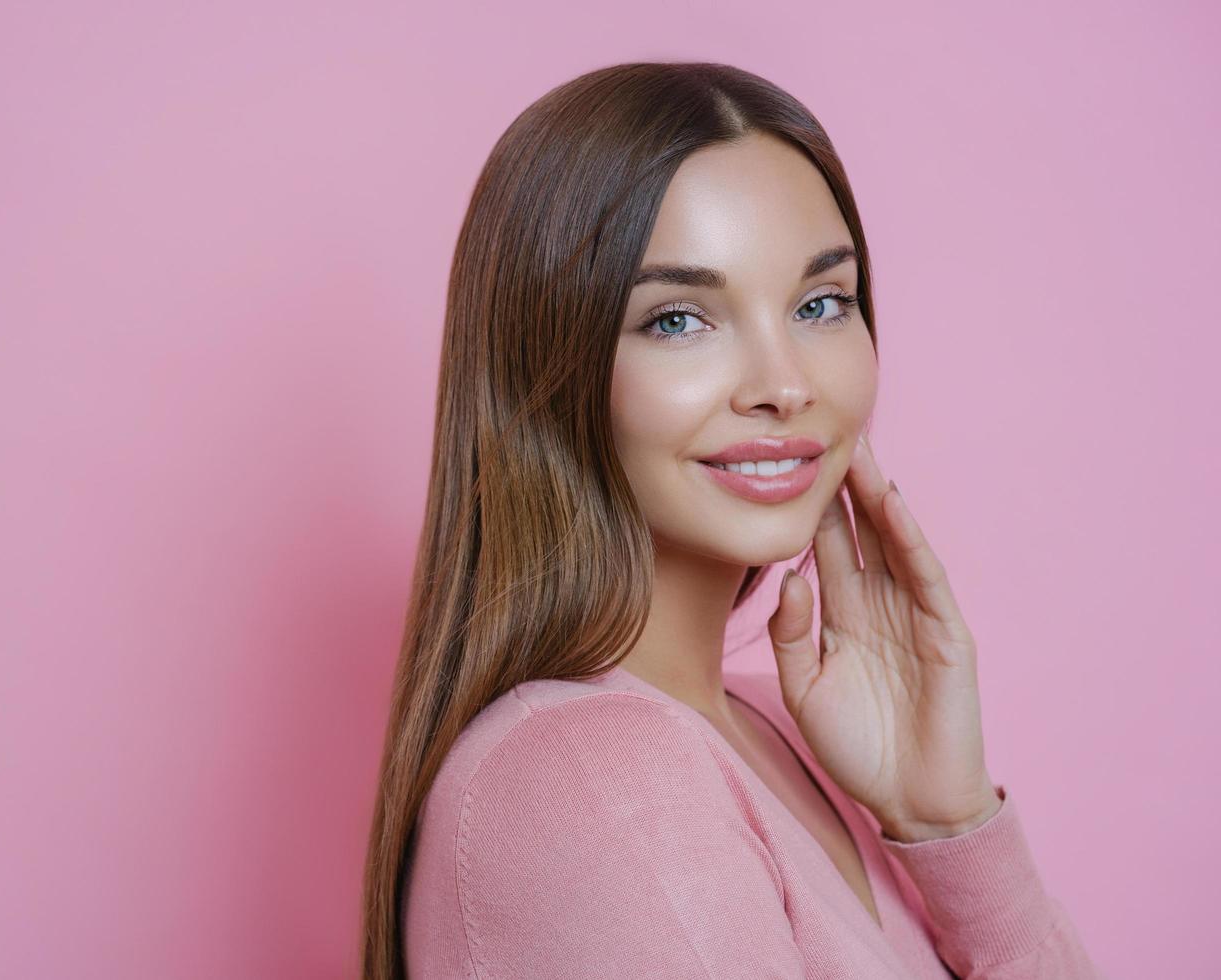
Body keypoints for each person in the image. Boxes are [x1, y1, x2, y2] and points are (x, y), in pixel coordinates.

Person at [359, 61, 1104, 978]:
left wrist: (946, 821)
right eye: (678, 320)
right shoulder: (594, 777)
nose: (785, 385)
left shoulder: (767, 734)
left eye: (820, 303)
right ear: (543, 365)